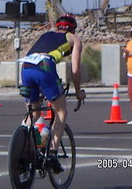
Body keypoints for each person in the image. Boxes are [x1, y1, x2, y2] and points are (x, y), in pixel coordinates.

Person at [20, 14, 86, 173]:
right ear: (72, 29)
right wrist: (78, 92)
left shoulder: (45, 35)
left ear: (57, 27)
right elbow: (75, 70)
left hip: (25, 67)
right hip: (45, 67)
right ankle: (52, 154)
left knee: (33, 113)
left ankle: (21, 144)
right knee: (61, 112)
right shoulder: (74, 39)